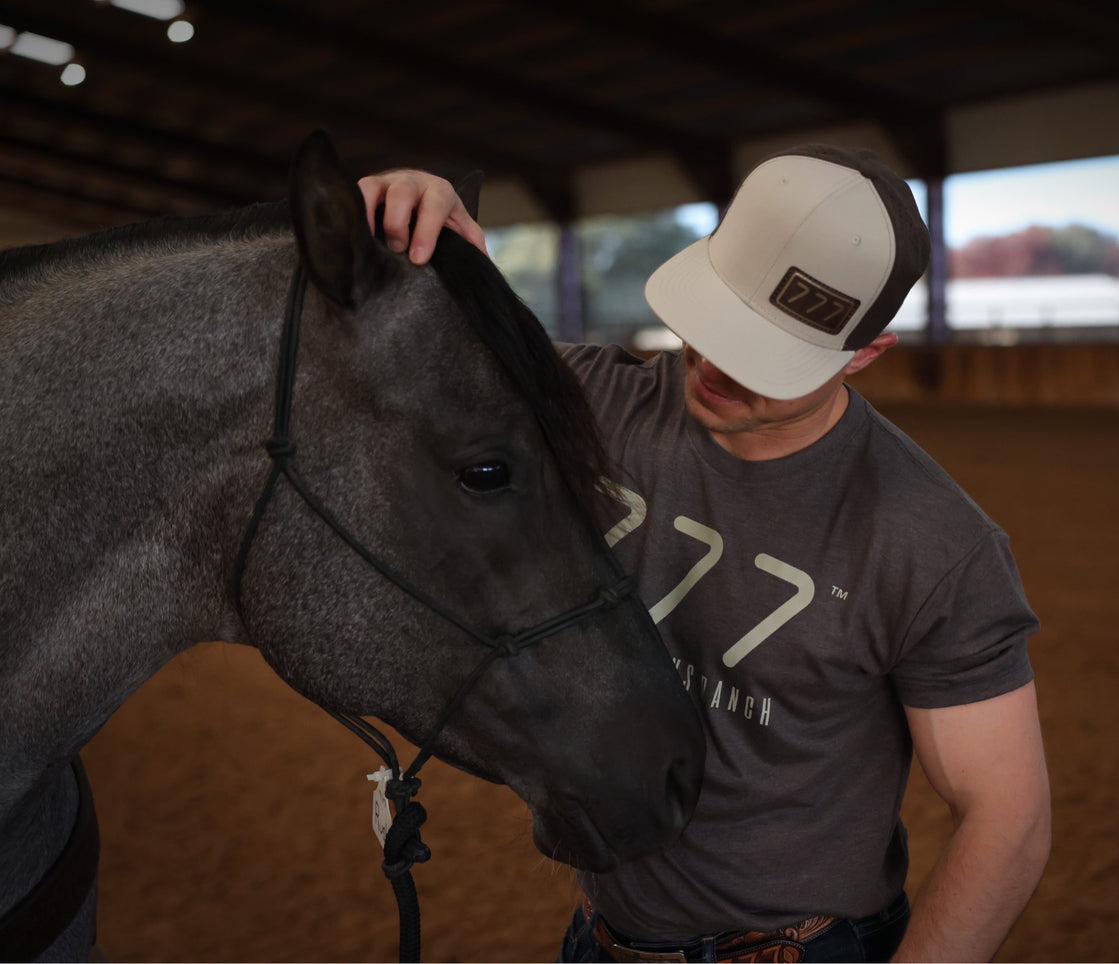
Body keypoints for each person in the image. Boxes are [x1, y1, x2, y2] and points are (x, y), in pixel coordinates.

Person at [360, 145, 1051, 963]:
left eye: (764, 354)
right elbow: (404, 361)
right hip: (600, 940)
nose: (715, 364)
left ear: (865, 354)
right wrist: (417, 215)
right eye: (718, 320)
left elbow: (1008, 818)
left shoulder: (932, 542)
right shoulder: (588, 404)